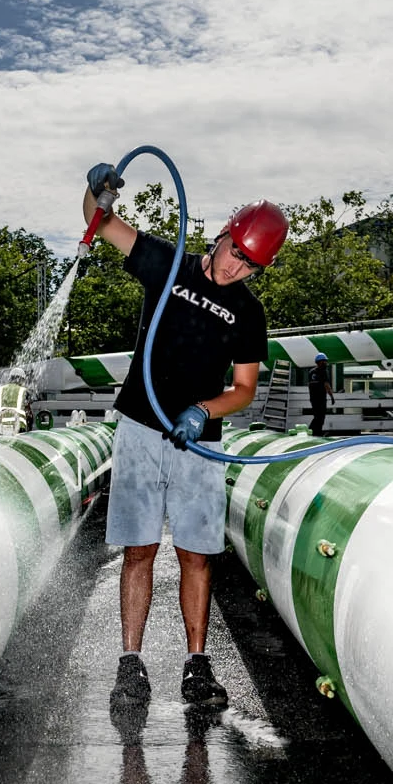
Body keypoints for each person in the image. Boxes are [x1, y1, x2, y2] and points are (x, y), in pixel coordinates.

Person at [84, 165, 286, 710]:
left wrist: (203, 410)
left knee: (197, 555)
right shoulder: (166, 262)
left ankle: (197, 665)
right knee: (139, 550)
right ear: (222, 235)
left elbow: (244, 388)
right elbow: (101, 223)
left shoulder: (249, 312)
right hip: (140, 427)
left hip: (198, 442)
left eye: (250, 265)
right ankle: (130, 664)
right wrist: (97, 191)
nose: (235, 268)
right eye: (234, 253)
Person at [307, 352, 336, 436]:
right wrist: (332, 397)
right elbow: (326, 385)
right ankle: (314, 432)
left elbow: (310, 385)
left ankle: (314, 432)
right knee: (321, 417)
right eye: (324, 361)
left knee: (317, 416)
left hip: (313, 398)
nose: (326, 363)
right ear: (320, 362)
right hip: (321, 398)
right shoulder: (323, 371)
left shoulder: (311, 372)